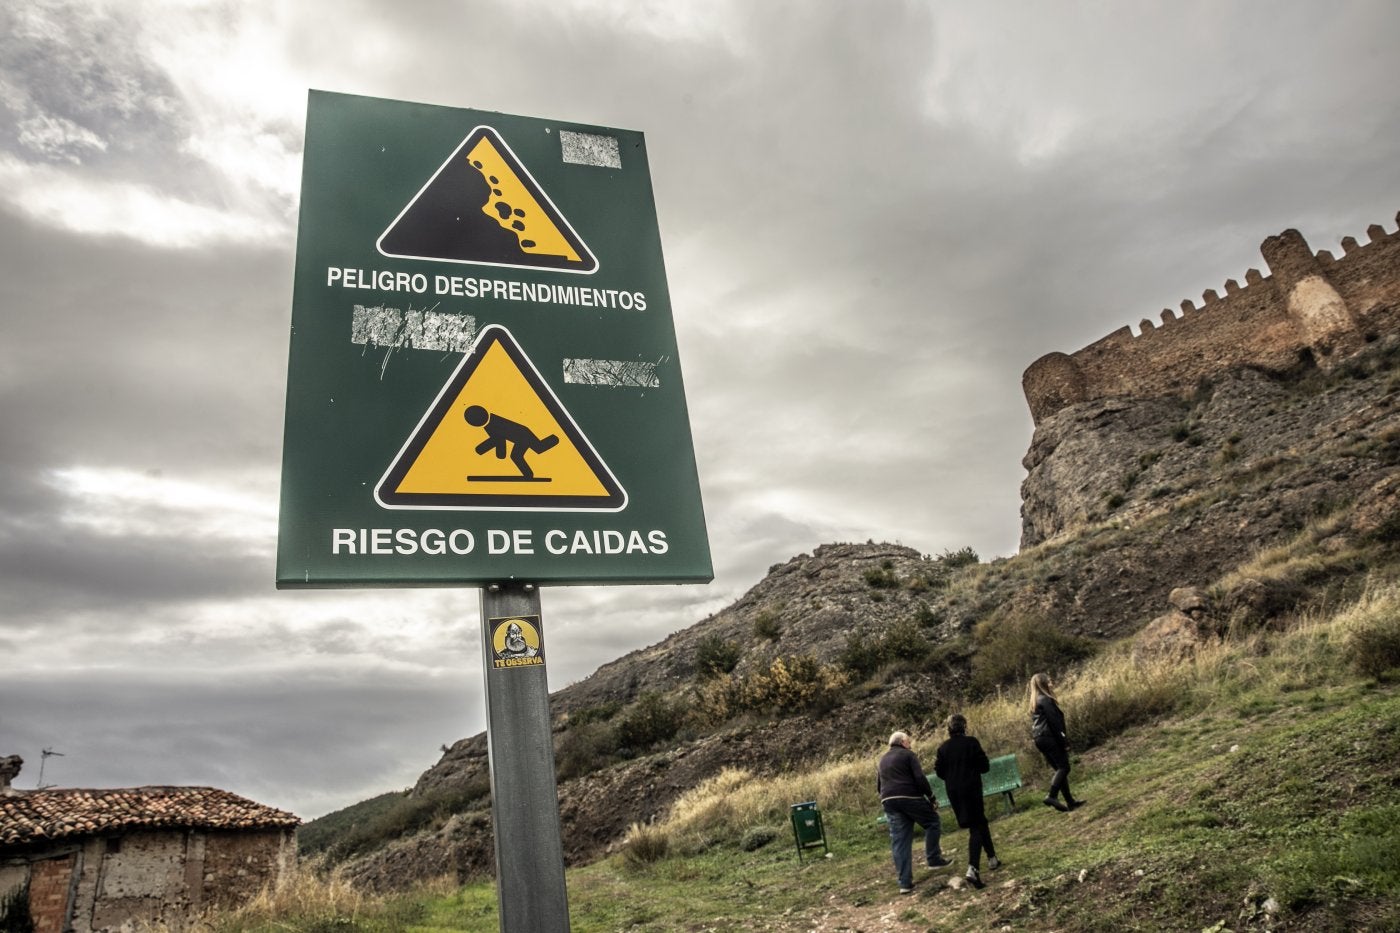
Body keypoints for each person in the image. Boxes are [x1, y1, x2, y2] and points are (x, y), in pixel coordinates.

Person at [877, 730, 950, 894]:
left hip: (888, 800)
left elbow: (879, 786)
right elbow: (919, 778)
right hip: (909, 796)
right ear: (903, 742)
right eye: (909, 741)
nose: (910, 745)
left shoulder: (882, 759)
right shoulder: (908, 755)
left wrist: (888, 798)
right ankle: (933, 859)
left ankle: (904, 883)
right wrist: (931, 797)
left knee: (900, 841)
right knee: (932, 822)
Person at [934, 713, 1000, 890]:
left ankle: (992, 858)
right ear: (964, 726)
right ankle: (973, 869)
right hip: (971, 788)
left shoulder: (943, 748)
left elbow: (939, 771)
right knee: (976, 826)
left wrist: (952, 777)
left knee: (980, 821)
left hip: (954, 791)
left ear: (948, 729)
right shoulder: (971, 742)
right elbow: (984, 766)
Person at [1029, 672, 1083, 812]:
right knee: (1064, 767)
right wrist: (1064, 741)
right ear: (1044, 684)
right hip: (1049, 737)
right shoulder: (1046, 700)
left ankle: (1070, 802)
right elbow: (1054, 723)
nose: (1052, 683)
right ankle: (1051, 796)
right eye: (1049, 681)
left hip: (1039, 739)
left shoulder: (1035, 701)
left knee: (1059, 769)